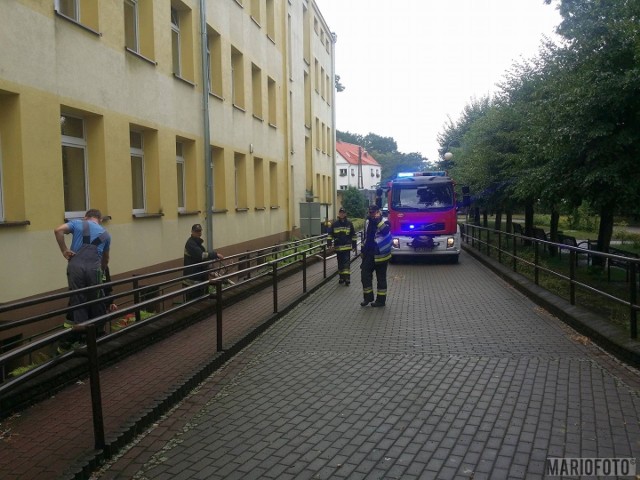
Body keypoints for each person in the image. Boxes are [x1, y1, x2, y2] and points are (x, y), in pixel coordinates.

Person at [54, 209, 112, 349]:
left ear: (86, 217)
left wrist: (64, 250)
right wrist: (102, 271)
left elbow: (58, 230)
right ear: (100, 219)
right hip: (95, 269)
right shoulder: (106, 235)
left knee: (78, 299)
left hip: (76, 267)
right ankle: (98, 331)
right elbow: (106, 259)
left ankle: (82, 336)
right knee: (97, 297)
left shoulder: (78, 223)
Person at [360, 204, 392, 307]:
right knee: (365, 275)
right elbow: (365, 236)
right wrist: (362, 250)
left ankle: (381, 301)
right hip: (369, 253)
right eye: (370, 212)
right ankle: (368, 298)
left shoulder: (385, 221)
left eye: (373, 212)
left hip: (381, 254)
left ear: (378, 212)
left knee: (381, 278)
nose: (371, 214)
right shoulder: (368, 221)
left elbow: (385, 231)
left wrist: (378, 221)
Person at [183, 223, 224, 301]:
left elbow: (202, 256)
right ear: (192, 232)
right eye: (196, 231)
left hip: (199, 276)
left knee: (202, 297)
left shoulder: (197, 243)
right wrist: (216, 255)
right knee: (195, 301)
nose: (199, 233)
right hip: (193, 278)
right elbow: (201, 255)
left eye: (200, 231)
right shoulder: (190, 243)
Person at [327, 207, 357, 286]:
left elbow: (353, 235)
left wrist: (354, 245)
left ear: (345, 214)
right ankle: (341, 278)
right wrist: (329, 244)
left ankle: (347, 278)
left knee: (346, 263)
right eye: (341, 213)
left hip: (347, 247)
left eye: (343, 213)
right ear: (339, 214)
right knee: (340, 263)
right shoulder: (334, 224)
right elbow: (330, 234)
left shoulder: (349, 223)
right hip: (338, 247)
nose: (342, 214)